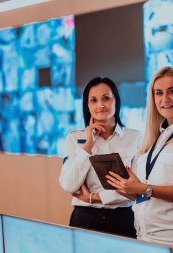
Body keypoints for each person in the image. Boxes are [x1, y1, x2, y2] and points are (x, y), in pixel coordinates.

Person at [106, 67, 173, 251]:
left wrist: (142, 188)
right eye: (159, 93)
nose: (164, 99)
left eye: (172, 91)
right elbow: (147, 195)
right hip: (146, 239)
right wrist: (128, 189)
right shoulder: (153, 139)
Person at [59, 77, 140, 238]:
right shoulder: (74, 138)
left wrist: (93, 198)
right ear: (87, 106)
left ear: (116, 101)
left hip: (123, 219)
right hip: (84, 219)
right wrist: (88, 146)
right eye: (93, 100)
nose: (100, 105)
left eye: (106, 98)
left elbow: (137, 188)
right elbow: (69, 185)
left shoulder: (135, 138)